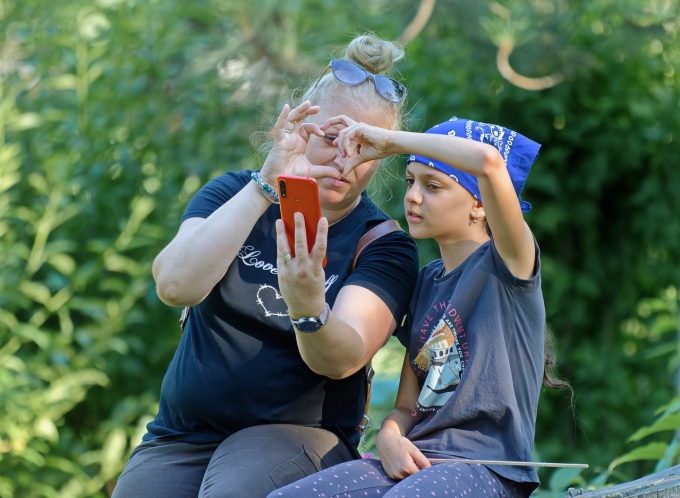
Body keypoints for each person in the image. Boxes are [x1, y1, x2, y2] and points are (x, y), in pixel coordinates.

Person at [112, 34, 420, 498]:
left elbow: (340, 360)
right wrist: (266, 185)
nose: (344, 160)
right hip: (183, 433)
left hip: (299, 436)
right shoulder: (232, 193)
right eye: (333, 138)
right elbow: (175, 285)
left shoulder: (383, 244)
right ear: (302, 127)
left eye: (365, 148)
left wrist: (307, 303)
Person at [269, 116, 570, 498]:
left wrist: (391, 141)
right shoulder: (424, 282)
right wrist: (390, 438)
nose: (413, 196)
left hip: (484, 471)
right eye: (411, 181)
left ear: (480, 204)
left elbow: (489, 163)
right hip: (416, 467)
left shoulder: (509, 266)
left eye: (433, 186)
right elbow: (406, 407)